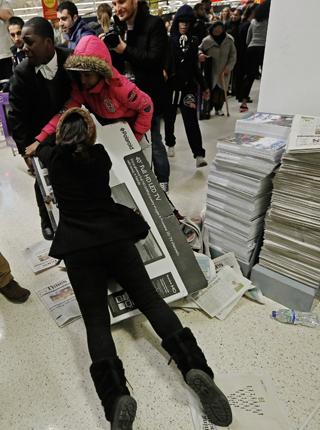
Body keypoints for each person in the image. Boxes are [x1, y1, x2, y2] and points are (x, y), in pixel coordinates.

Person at [27, 106, 232, 430]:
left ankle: (115, 397)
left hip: (79, 249)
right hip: (114, 239)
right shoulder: (100, 158)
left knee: (97, 323)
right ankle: (195, 367)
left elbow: (42, 145)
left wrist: (44, 140)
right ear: (91, 136)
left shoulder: (53, 158)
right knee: (151, 301)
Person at [8, 16, 72, 240]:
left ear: (48, 43)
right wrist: (25, 149)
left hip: (70, 132)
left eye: (29, 42)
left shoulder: (70, 60)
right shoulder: (22, 73)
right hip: (39, 138)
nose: (24, 48)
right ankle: (47, 219)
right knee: (43, 180)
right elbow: (15, 115)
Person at [30, 35, 153, 147]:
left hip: (134, 132)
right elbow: (64, 112)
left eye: (87, 75)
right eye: (79, 74)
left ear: (100, 73)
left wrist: (136, 136)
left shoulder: (120, 88)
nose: (82, 80)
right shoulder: (81, 89)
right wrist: (41, 138)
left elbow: (147, 106)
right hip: (112, 132)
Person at [108, 0, 171, 192]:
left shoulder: (154, 24)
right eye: (114, 3)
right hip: (125, 100)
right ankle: (139, 184)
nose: (118, 8)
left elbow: (154, 61)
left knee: (154, 139)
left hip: (148, 97)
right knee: (131, 142)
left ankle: (162, 182)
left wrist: (123, 49)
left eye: (121, 2)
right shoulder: (118, 28)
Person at [164, 4, 208, 167]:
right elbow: (166, 62)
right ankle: (170, 143)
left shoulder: (194, 41)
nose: (184, 25)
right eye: (181, 22)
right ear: (177, 23)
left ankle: (198, 154)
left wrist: (204, 86)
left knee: (191, 121)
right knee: (169, 118)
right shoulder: (169, 42)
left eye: (187, 22)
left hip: (188, 87)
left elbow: (194, 66)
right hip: (172, 86)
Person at [199, 21, 237, 117]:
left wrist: (229, 67)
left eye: (220, 30)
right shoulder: (206, 40)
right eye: (215, 30)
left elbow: (233, 55)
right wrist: (200, 54)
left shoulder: (229, 40)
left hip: (224, 70)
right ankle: (207, 109)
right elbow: (199, 49)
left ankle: (218, 108)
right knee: (210, 89)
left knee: (221, 91)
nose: (217, 32)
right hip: (210, 70)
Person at [239, 0, 271, 112]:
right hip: (265, 49)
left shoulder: (253, 21)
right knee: (267, 76)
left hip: (252, 49)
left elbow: (248, 38)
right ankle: (267, 103)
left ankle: (243, 103)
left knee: (250, 76)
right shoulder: (271, 21)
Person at [0, 0, 13, 85]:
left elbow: (8, 16)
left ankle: (5, 99)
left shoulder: (3, 2)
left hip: (4, 55)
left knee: (5, 86)